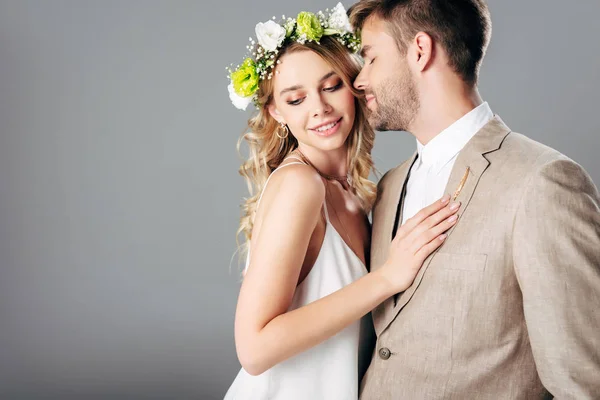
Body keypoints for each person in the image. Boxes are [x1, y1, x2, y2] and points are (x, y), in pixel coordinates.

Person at [349, 0, 600, 398]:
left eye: (371, 58)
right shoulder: (389, 188)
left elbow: (584, 383)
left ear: (420, 50)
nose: (359, 80)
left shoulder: (542, 182)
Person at [223, 3, 460, 399]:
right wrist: (386, 278)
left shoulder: (358, 191)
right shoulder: (301, 184)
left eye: (331, 86)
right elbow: (254, 348)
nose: (320, 108)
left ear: (356, 87)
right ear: (276, 112)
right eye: (296, 100)